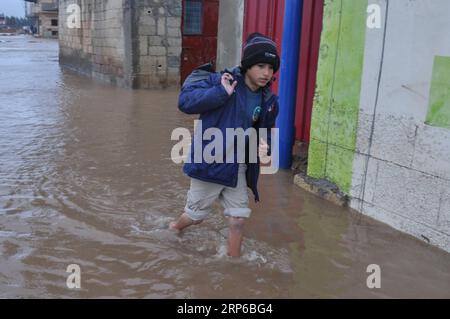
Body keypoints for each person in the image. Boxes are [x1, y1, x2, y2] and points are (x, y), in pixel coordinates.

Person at [169, 32, 280, 258]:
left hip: (238, 167)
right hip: (210, 164)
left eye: (271, 68)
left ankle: (233, 265)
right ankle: (173, 228)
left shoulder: (268, 100)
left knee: (238, 219)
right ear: (248, 64)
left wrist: (264, 145)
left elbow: (265, 130)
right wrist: (220, 92)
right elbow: (185, 102)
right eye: (261, 66)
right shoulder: (223, 81)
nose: (267, 73)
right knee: (195, 217)